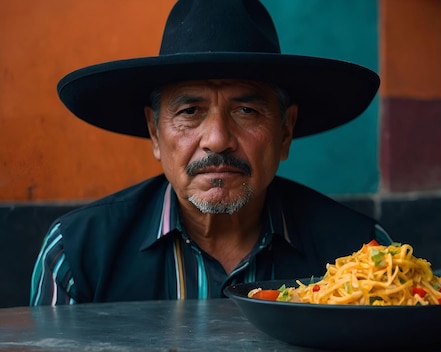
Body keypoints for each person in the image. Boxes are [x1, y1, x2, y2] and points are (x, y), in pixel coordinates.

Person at [30, 0, 392, 305]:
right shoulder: (75, 257)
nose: (218, 140)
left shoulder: (367, 257)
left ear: (285, 131)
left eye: (246, 111)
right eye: (190, 112)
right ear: (155, 132)